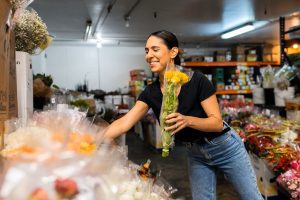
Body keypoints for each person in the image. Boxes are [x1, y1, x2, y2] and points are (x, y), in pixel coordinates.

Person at [104, 30, 263, 200]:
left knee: (251, 197)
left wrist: (187, 120)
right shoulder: (151, 92)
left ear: (173, 52)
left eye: (155, 49)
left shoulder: (197, 81)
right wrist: (92, 138)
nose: (149, 56)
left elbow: (216, 123)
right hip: (196, 154)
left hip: (225, 147)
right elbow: (125, 122)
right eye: (146, 51)